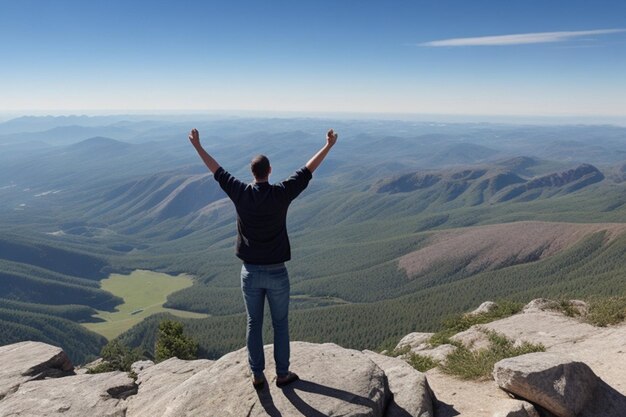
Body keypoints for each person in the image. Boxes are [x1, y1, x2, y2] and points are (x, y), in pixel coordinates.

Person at [189, 127, 338, 389]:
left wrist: (198, 146)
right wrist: (328, 146)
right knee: (280, 324)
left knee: (253, 323)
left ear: (252, 173)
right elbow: (307, 171)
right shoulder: (281, 193)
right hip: (277, 272)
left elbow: (217, 171)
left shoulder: (241, 193)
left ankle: (257, 374)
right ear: (269, 172)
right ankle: (282, 374)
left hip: (250, 273)